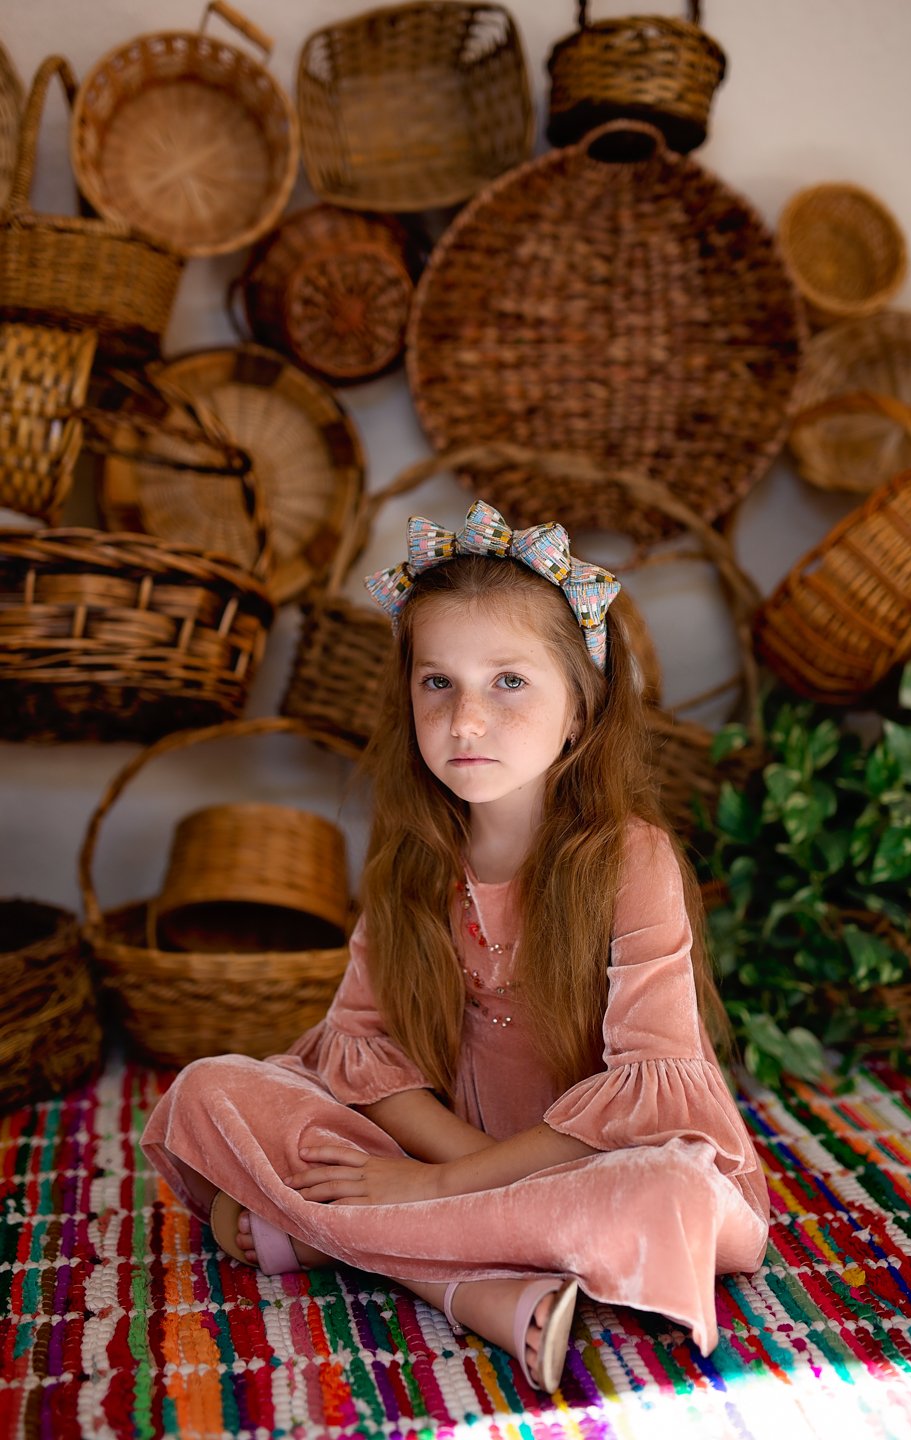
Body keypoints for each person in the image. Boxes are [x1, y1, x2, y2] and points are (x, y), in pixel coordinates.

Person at [141, 500, 769, 1394]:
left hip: (592, 1166)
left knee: (673, 1197)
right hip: (444, 1155)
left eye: (509, 682)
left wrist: (436, 1190)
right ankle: (471, 1281)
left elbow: (645, 1098)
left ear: (580, 714)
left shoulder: (634, 858)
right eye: (439, 683)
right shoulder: (414, 860)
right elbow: (363, 1053)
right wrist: (439, 1170)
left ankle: (350, 1240)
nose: (466, 720)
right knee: (212, 1090)